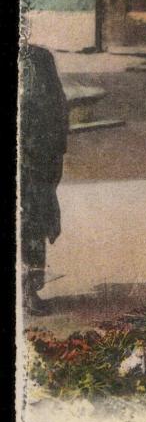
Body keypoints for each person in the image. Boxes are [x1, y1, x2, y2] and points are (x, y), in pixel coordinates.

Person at [19, 44, 69, 315]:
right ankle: (27, 291)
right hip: (30, 159)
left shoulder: (38, 57)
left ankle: (29, 291)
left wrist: (56, 152)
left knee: (33, 223)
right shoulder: (37, 57)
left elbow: (58, 107)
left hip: (36, 160)